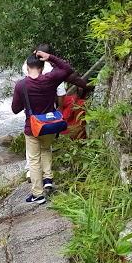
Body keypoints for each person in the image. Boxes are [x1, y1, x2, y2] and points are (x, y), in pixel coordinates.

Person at [12, 49, 77, 204]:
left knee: (34, 160)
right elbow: (67, 69)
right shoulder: (50, 79)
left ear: (27, 68)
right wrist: (50, 57)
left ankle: (38, 194)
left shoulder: (21, 85)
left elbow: (15, 109)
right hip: (49, 125)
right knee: (46, 149)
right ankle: (48, 179)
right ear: (42, 67)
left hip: (33, 127)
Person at [21, 44, 89, 180]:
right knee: (46, 143)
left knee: (32, 143)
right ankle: (47, 177)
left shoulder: (27, 65)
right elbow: (61, 91)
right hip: (48, 109)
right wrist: (60, 107)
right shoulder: (52, 71)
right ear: (47, 56)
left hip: (31, 110)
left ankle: (30, 172)